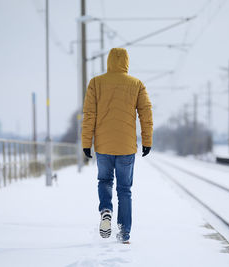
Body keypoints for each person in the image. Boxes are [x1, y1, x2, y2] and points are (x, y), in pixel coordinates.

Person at [81, 48, 153, 244]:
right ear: (126, 62)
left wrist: (86, 142)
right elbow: (146, 115)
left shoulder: (96, 83)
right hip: (126, 147)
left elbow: (89, 115)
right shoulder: (136, 84)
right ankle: (124, 234)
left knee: (104, 181)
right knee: (124, 190)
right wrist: (147, 141)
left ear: (109, 61)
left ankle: (106, 210)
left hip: (103, 145)